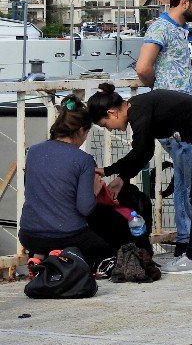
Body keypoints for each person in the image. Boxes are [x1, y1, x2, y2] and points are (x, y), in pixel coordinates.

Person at [87, 84, 192, 273]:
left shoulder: (139, 113)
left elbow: (140, 151)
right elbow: (145, 152)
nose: (111, 131)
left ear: (112, 113)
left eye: (106, 125)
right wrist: (122, 177)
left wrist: (107, 170)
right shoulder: (139, 106)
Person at [18, 96, 149, 270]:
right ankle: (62, 255)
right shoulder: (83, 159)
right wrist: (94, 190)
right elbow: (85, 208)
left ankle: (42, 256)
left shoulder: (33, 152)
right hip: (67, 235)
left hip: (28, 235)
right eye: (87, 133)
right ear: (80, 131)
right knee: (109, 251)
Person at [135, 0, 192, 258]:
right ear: (184, 2)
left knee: (186, 177)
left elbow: (171, 64)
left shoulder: (178, 30)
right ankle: (189, 240)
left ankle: (188, 238)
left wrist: (190, 76)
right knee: (189, 179)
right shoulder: (161, 29)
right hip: (173, 117)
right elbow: (143, 67)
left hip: (184, 114)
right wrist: (161, 90)